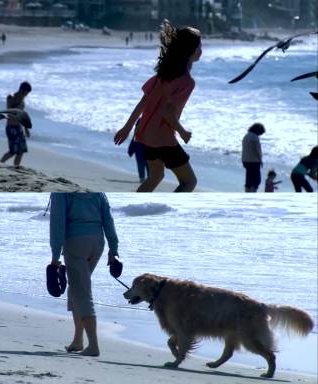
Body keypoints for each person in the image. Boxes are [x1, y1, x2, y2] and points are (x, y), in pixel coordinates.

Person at [114, 20, 201, 192]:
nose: (201, 50)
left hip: (144, 135)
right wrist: (182, 132)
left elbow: (143, 102)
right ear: (190, 51)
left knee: (155, 177)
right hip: (163, 140)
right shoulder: (186, 82)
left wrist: (127, 128)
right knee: (189, 182)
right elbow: (168, 112)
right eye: (199, 46)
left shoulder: (163, 74)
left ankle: (135, 206)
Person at [50, 193, 119, 357]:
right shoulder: (98, 192)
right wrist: (113, 249)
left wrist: (55, 255)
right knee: (76, 289)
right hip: (97, 243)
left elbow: (57, 223)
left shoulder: (60, 193)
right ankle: (78, 340)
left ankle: (94, 346)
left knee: (82, 293)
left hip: (75, 242)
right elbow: (108, 219)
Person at [0, 81, 31, 168]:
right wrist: (20, 100)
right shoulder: (11, 97)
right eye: (26, 93)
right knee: (12, 151)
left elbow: (21, 115)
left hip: (19, 127)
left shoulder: (22, 101)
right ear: (22, 90)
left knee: (21, 151)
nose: (26, 95)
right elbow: (10, 111)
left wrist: (26, 128)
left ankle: (16, 167)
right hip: (11, 127)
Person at [241, 123, 265, 192]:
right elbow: (258, 151)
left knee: (248, 179)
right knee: (256, 181)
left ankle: (247, 192)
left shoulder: (246, 136)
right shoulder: (255, 138)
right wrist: (261, 160)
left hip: (245, 160)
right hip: (254, 161)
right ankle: (252, 194)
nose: (260, 135)